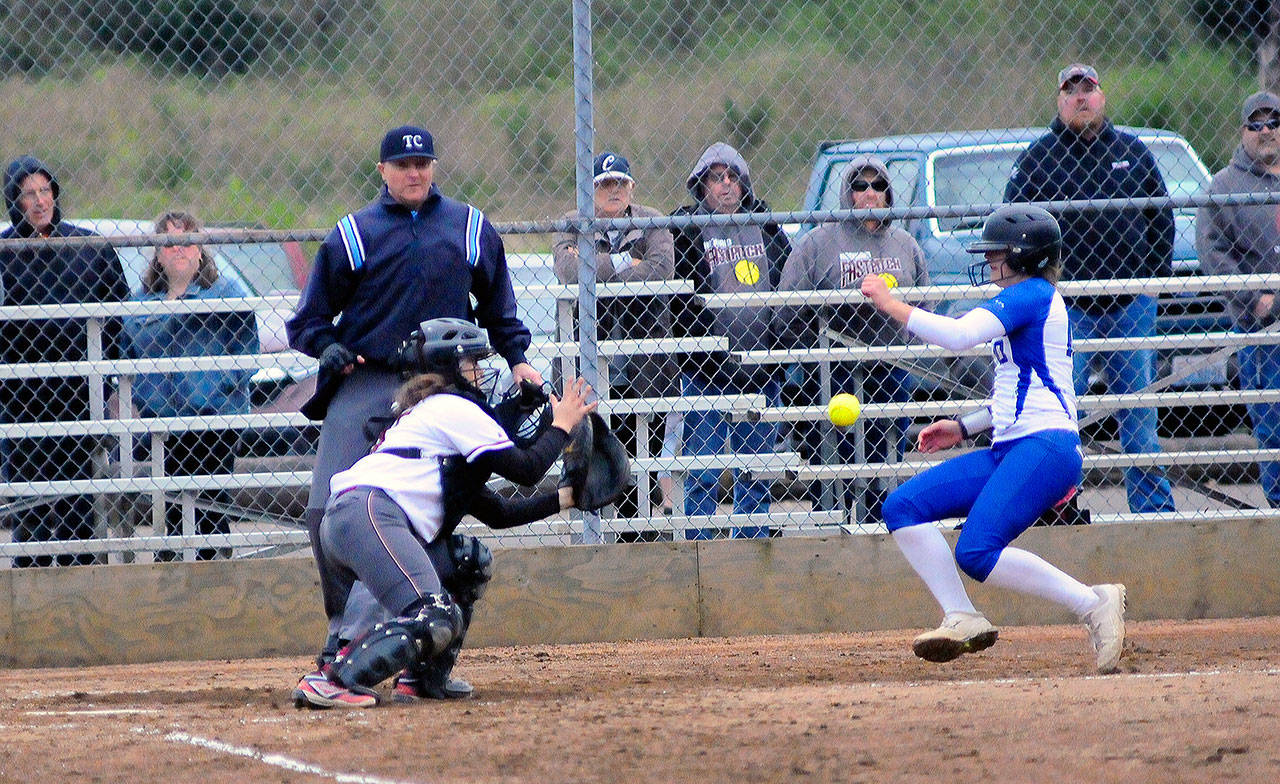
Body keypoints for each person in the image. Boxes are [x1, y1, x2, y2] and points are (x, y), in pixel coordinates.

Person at [285, 125, 543, 672]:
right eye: (402, 165)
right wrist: (327, 347)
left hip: (443, 385)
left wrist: (517, 358)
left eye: (423, 163)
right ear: (382, 171)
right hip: (371, 375)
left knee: (426, 511)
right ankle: (344, 636)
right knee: (327, 508)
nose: (414, 173)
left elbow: (499, 309)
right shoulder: (354, 233)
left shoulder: (469, 226)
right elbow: (306, 321)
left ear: (434, 167)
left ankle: (417, 655)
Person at [860, 205, 1126, 673]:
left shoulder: (1033, 293)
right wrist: (963, 427)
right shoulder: (1028, 298)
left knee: (976, 550)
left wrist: (891, 304)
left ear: (1024, 257)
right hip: (1014, 445)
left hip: (1045, 448)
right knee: (903, 506)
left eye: (998, 253)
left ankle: (1092, 602)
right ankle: (961, 615)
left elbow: (960, 336)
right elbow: (1019, 394)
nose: (990, 262)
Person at [292, 318, 596, 708]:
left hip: (359, 519)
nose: (481, 372)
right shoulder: (450, 406)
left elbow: (498, 512)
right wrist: (562, 425)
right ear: (449, 368)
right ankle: (334, 679)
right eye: (472, 363)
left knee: (469, 561)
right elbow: (526, 467)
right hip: (367, 514)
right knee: (433, 614)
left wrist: (565, 498)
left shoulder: (435, 422)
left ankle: (422, 679)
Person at [1005, 63, 1176, 516]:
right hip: (1066, 311)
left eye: (1088, 89)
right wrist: (1037, 291)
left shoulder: (1132, 151)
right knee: (1062, 418)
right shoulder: (1038, 159)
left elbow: (1162, 221)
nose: (1081, 97)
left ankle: (1155, 513)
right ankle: (1060, 508)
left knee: (1139, 421)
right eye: (1071, 91)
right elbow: (1012, 223)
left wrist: (1151, 286)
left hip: (1129, 307)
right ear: (1060, 101)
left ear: (1102, 96)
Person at [776, 155, 928, 525]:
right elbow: (786, 309)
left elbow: (925, 304)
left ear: (889, 194)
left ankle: (882, 520)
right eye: (860, 186)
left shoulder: (905, 244)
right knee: (836, 456)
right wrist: (813, 344)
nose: (869, 193)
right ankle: (837, 514)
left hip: (892, 364)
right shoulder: (818, 242)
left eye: (878, 186)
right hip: (834, 369)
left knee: (886, 450)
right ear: (848, 192)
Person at [0, 156, 129, 567]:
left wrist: (104, 377)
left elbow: (118, 313)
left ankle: (83, 586)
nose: (39, 202)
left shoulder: (87, 247)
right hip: (24, 403)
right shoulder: (5, 254)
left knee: (80, 513)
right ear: (13, 202)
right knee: (32, 515)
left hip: (81, 396)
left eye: (45, 191)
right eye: (28, 195)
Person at [123, 211, 260, 561]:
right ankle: (174, 564)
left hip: (214, 417)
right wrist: (146, 396)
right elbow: (131, 350)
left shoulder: (225, 292)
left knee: (209, 504)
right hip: (165, 423)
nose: (179, 249)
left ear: (200, 250)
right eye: (168, 243)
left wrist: (217, 389)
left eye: (187, 241)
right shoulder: (142, 305)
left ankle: (213, 565)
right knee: (171, 505)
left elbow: (246, 348)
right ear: (157, 254)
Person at [670, 142, 791, 537]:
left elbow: (789, 283)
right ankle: (701, 549)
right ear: (701, 185)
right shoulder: (687, 229)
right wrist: (711, 353)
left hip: (761, 368)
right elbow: (682, 302)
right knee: (703, 471)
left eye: (732, 177)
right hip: (706, 370)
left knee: (755, 473)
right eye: (715, 178)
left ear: (744, 184)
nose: (725, 186)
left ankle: (752, 545)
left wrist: (778, 347)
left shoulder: (767, 226)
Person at [552, 152, 677, 521]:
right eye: (605, 184)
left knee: (646, 449)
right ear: (590, 190)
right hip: (592, 357)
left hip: (646, 360)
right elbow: (569, 271)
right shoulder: (571, 223)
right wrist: (626, 262)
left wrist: (596, 266)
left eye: (620, 183)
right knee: (601, 446)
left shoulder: (652, 220)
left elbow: (660, 270)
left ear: (632, 187)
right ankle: (609, 527)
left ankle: (639, 523)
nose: (613, 190)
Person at [1197, 91, 1280, 509]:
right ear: (1242, 131)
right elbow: (1212, 254)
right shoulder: (1225, 186)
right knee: (1273, 427)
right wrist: (1255, 297)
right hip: (1261, 332)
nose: (1266, 131)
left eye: (1273, 122)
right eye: (1256, 124)